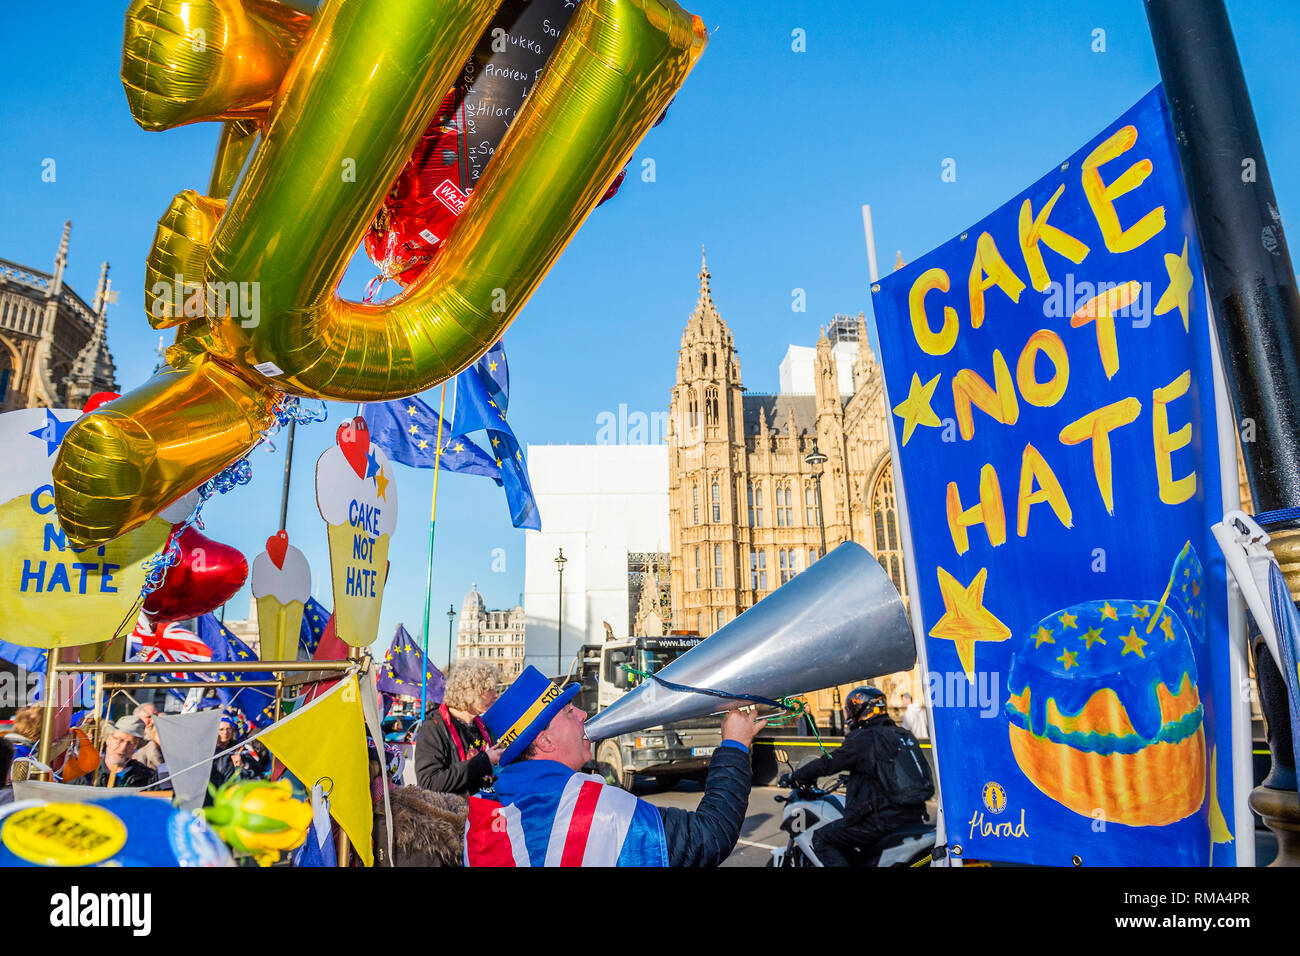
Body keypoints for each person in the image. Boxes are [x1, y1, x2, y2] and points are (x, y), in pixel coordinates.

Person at [463, 666, 764, 867]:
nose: (583, 714)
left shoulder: (482, 815)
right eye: (569, 712)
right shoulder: (590, 807)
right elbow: (709, 837)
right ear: (545, 742)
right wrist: (734, 745)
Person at [785, 686, 932, 867]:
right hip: (913, 815)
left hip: (879, 822)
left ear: (862, 710)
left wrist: (796, 776)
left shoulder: (865, 737)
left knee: (822, 839)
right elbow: (885, 771)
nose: (850, 713)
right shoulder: (901, 734)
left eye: (852, 708)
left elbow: (829, 763)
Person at [414, 660, 504, 795]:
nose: (495, 694)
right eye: (489, 689)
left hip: (486, 810)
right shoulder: (433, 728)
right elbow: (429, 782)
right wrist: (485, 761)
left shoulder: (482, 725)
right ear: (470, 693)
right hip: (452, 813)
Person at [88, 716, 158, 789]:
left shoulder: (148, 778)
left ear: (136, 747)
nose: (123, 748)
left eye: (131, 743)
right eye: (119, 740)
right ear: (109, 739)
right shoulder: (86, 772)